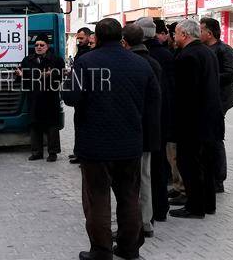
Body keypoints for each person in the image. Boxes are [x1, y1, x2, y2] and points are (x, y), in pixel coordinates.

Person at [63, 18, 160, 260]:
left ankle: (101, 250)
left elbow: (71, 98)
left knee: (97, 199)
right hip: (129, 143)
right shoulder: (141, 64)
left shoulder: (86, 62)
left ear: (97, 36)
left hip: (94, 145)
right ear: (121, 37)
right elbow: (153, 102)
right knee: (129, 197)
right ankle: (129, 249)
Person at [170, 19, 223, 219]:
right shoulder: (207, 52)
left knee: (189, 163)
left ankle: (195, 206)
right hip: (210, 118)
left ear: (184, 34)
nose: (174, 37)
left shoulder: (188, 56)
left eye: (175, 33)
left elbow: (186, 94)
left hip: (193, 121)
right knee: (206, 164)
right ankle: (208, 204)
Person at [122, 23, 163, 238]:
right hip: (150, 129)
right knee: (145, 175)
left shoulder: (129, 64)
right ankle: (146, 221)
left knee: (130, 180)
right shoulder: (154, 63)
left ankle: (134, 222)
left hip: (132, 131)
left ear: (125, 42)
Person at [139, 18, 176, 219]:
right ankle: (161, 207)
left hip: (148, 118)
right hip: (162, 116)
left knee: (147, 167)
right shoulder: (165, 54)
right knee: (159, 163)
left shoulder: (146, 58)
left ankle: (152, 210)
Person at [200, 17, 233, 193]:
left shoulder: (224, 50)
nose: (199, 33)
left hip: (219, 101)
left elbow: (230, 74)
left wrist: (208, 77)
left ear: (209, 32)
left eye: (201, 30)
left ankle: (218, 179)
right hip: (205, 100)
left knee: (215, 140)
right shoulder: (203, 49)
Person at [15, 34, 65, 162]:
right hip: (34, 97)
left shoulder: (56, 60)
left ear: (47, 46)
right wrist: (22, 75)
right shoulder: (27, 60)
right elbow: (23, 78)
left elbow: (60, 77)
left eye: (41, 45)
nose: (38, 47)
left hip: (50, 96)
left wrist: (50, 75)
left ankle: (53, 152)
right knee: (34, 125)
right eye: (36, 45)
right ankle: (36, 152)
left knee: (52, 126)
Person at [69, 27, 94, 164]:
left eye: (81, 38)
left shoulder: (88, 53)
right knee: (77, 124)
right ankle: (77, 152)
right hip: (79, 94)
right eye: (78, 38)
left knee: (82, 125)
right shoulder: (80, 51)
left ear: (89, 37)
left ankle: (81, 154)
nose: (79, 41)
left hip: (84, 95)